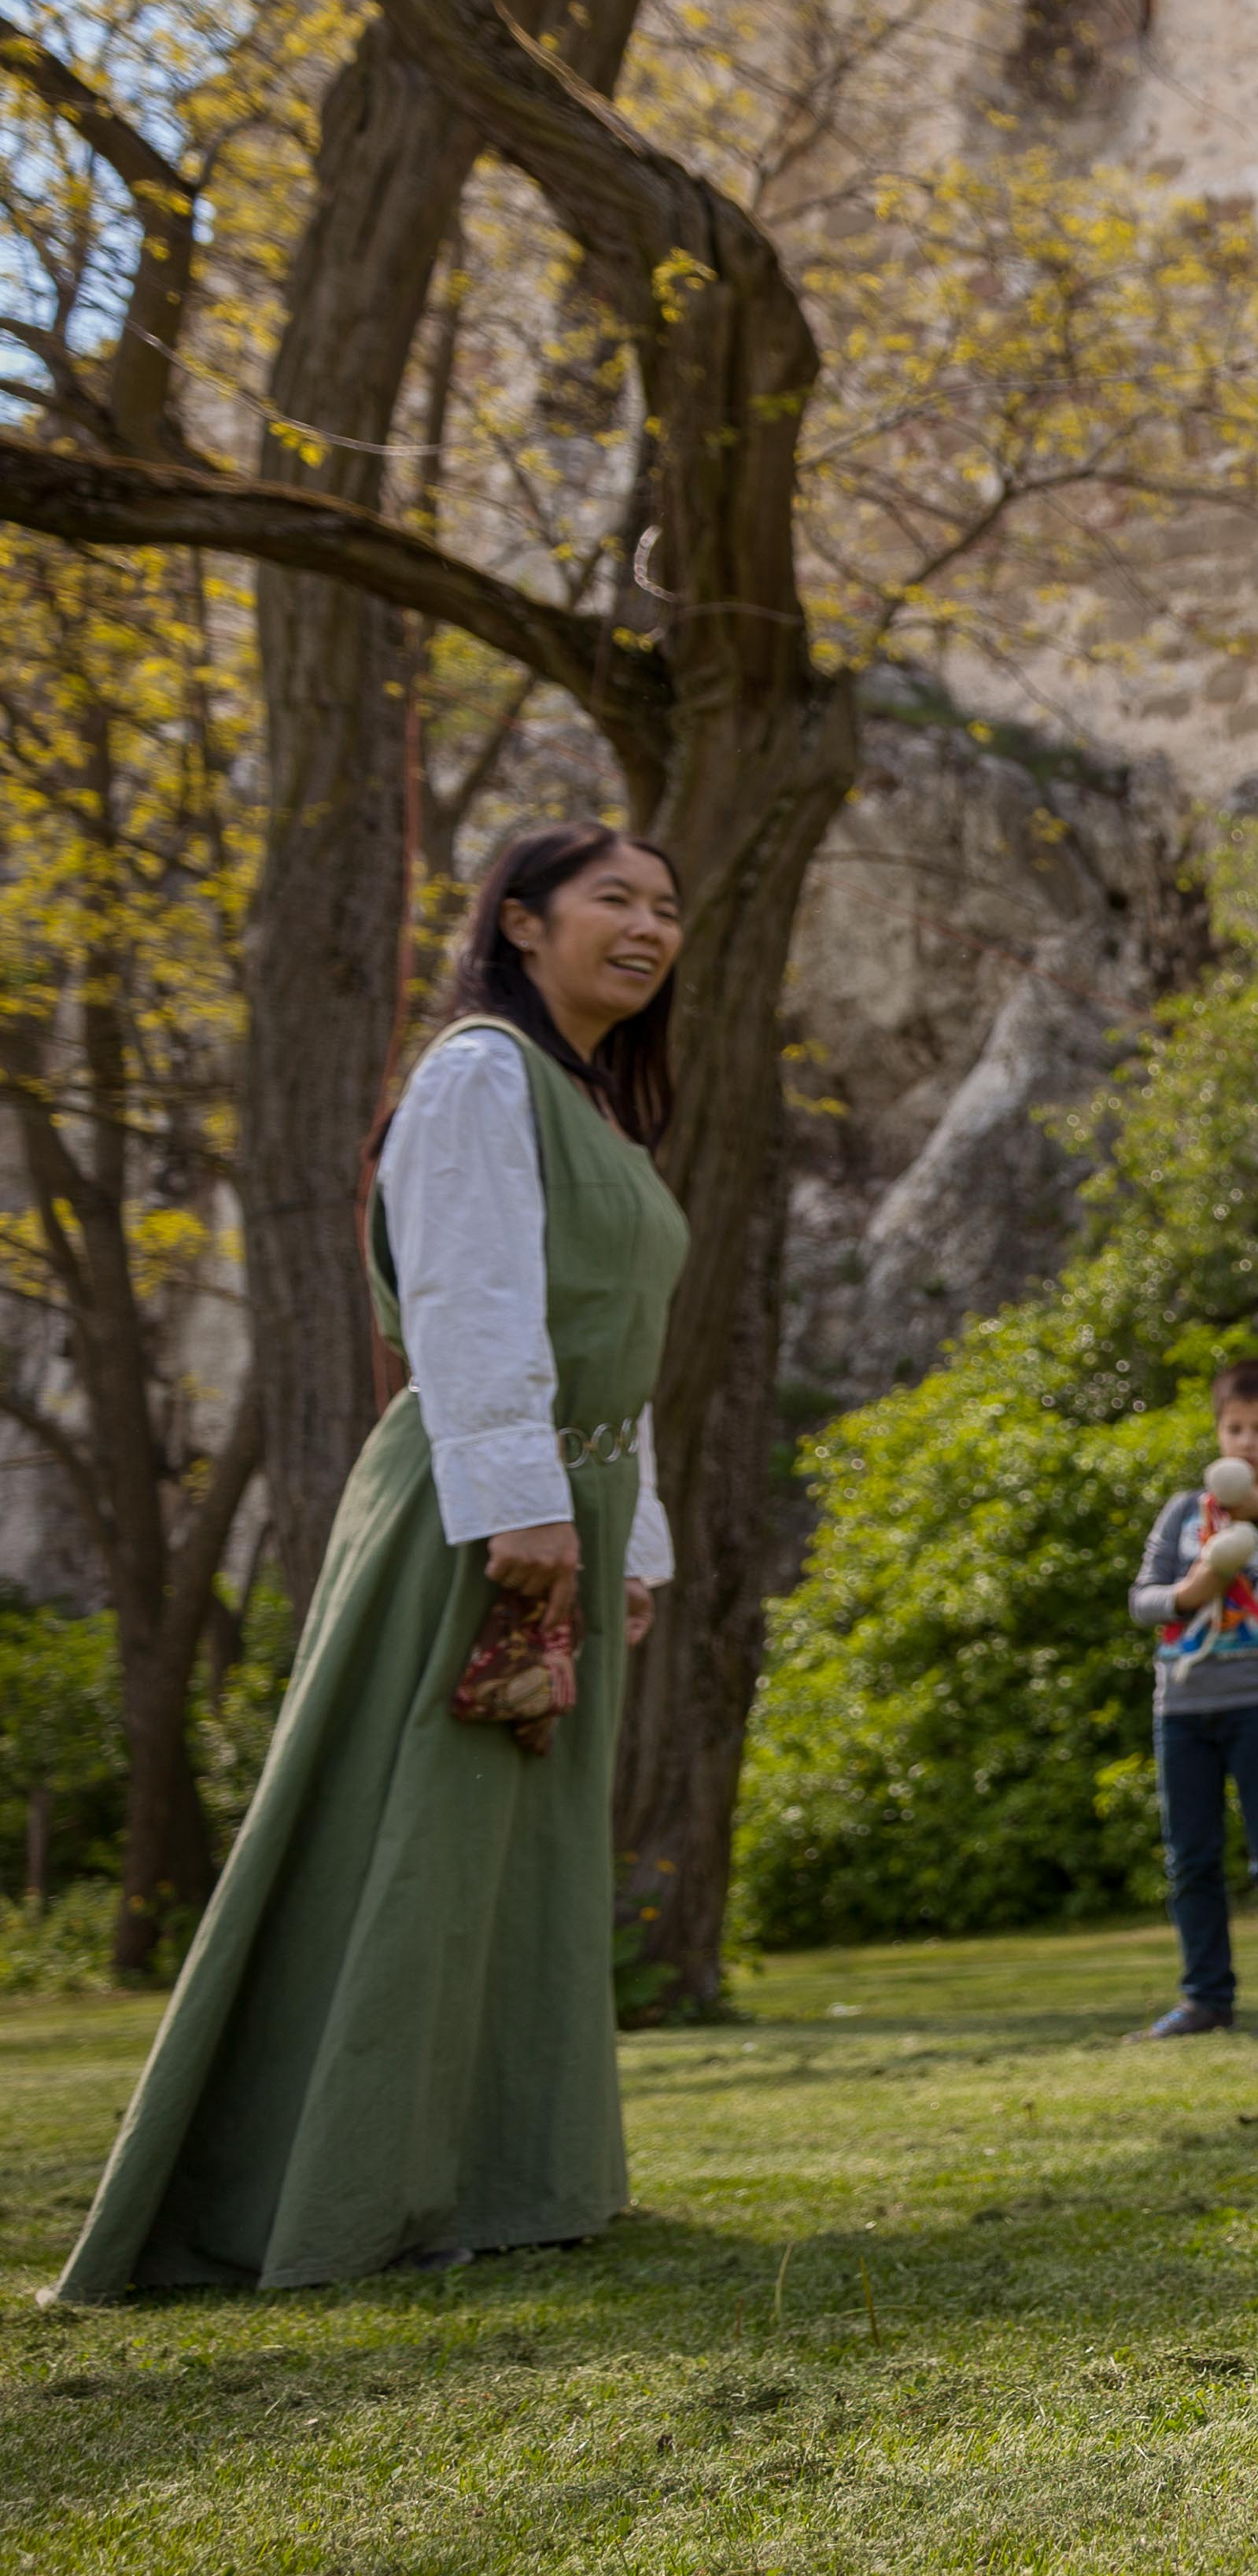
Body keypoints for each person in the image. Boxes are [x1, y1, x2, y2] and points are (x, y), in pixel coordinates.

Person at [56, 823, 690, 2299]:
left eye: (667, 906)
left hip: (565, 1504)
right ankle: (346, 2189)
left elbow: (626, 1355)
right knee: (419, 1842)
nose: (650, 926)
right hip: (479, 1507)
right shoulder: (479, 1071)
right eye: (616, 898)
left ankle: (498, 2173)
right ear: (524, 922)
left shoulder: (601, 1110)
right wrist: (523, 1505)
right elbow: (472, 1301)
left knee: (511, 1862)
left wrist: (630, 1538)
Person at [1127, 1356, 1258, 2039]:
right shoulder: (1184, 1512)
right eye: (1236, 1427)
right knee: (1190, 1859)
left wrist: (1257, 1511)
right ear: (1219, 1431)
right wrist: (1189, 1595)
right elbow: (1143, 1601)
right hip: (1181, 1708)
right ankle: (1205, 1999)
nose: (1248, 1441)